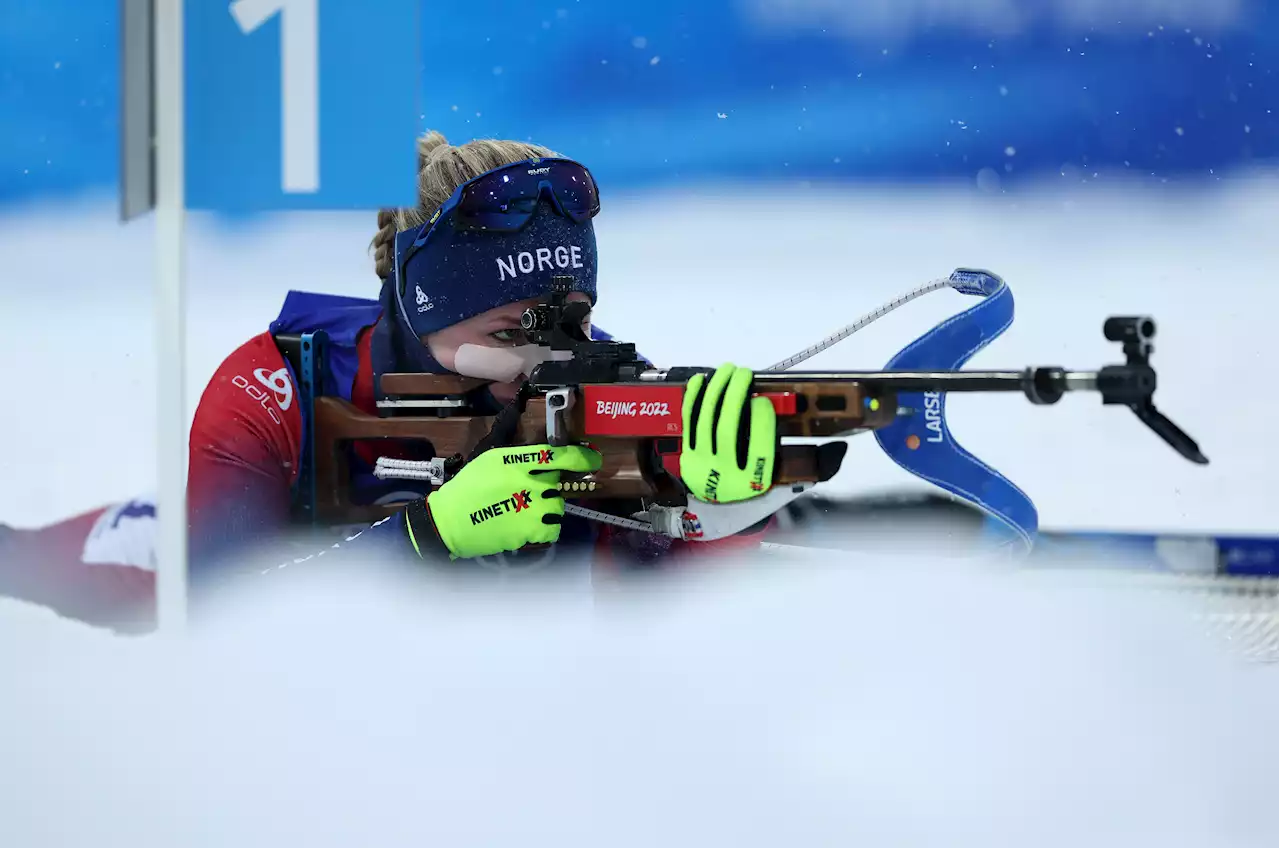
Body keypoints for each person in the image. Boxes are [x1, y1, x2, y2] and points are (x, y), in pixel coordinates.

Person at [0, 132, 778, 632]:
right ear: (420, 301)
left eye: (568, 322)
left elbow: (679, 619)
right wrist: (425, 539)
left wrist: (718, 512)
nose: (547, 359)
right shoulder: (278, 388)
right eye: (511, 334)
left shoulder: (593, 389)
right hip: (166, 558)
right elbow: (212, 616)